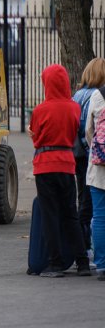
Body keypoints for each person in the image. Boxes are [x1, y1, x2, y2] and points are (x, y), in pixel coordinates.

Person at [28, 64, 90, 278]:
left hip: (45, 164)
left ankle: (55, 263)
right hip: (66, 163)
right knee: (70, 214)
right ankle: (82, 263)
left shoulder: (39, 110)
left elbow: (37, 138)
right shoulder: (74, 107)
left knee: (50, 215)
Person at [72, 57, 105, 254]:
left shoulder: (77, 96)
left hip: (80, 155)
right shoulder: (97, 95)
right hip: (93, 156)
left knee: (83, 200)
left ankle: (84, 247)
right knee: (94, 207)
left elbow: (85, 129)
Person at [85, 78, 105, 281]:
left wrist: (98, 151)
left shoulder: (98, 95)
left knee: (99, 216)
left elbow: (88, 131)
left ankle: (102, 265)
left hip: (99, 169)